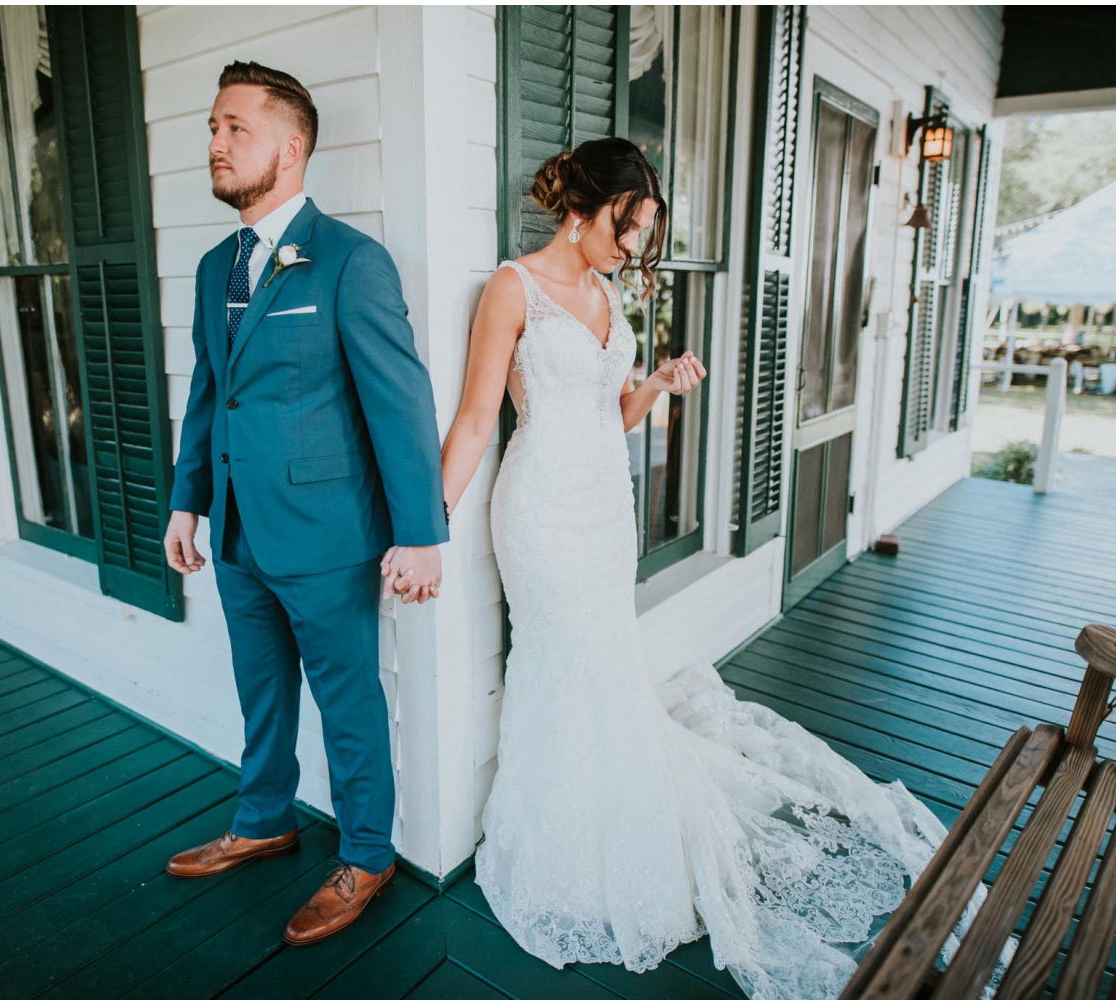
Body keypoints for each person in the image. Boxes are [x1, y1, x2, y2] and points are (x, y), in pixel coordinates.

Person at [428, 137, 983, 998]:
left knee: (606, 664)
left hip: (608, 510)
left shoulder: (609, 293)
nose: (633, 245)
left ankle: (621, 816)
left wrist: (655, 386)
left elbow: (608, 418)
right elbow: (474, 422)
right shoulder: (514, 287)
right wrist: (430, 524)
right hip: (539, 510)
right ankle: (570, 849)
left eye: (642, 230)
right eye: (627, 225)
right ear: (583, 209)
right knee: (565, 659)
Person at [161, 61, 446, 947]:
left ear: (291, 147)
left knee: (348, 698)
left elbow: (400, 405)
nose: (214, 142)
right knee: (261, 688)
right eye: (212, 127)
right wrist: (188, 502)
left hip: (329, 537)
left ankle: (367, 851)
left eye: (233, 128)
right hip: (239, 532)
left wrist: (422, 536)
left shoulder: (351, 261)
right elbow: (214, 390)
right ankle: (264, 818)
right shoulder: (217, 267)